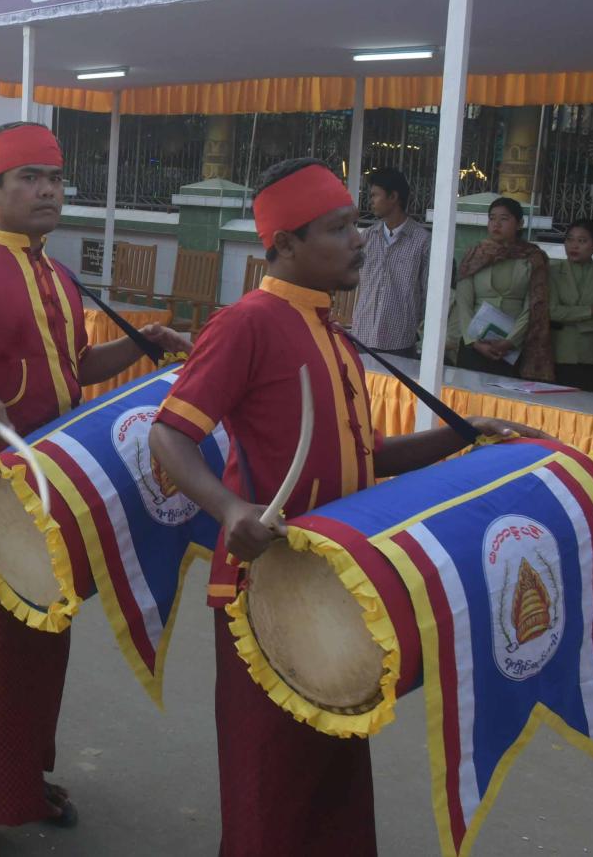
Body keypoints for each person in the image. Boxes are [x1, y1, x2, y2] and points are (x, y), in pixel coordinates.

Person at [148, 157, 540, 857]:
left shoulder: (333, 331)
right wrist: (231, 509)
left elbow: (368, 455)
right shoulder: (246, 323)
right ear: (284, 244)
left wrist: (464, 434)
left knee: (332, 774)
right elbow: (169, 434)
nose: (358, 239)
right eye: (336, 228)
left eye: (356, 223)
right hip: (266, 589)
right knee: (269, 777)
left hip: (338, 582)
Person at [0, 122, 177, 856]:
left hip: (53, 488)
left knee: (44, 641)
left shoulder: (57, 274)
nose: (48, 191)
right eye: (28, 178)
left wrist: (142, 344)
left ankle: (23, 776)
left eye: (55, 179)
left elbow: (74, 368)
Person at [445, 196, 553, 381]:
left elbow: (535, 304)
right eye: (492, 218)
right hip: (475, 342)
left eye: (504, 219)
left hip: (513, 348)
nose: (496, 224)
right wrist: (474, 341)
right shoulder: (475, 254)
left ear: (520, 224)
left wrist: (510, 341)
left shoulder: (533, 257)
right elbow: (463, 302)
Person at [349, 167, 429, 357]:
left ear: (393, 197)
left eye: (375, 195)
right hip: (363, 335)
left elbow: (427, 293)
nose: (371, 201)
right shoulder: (367, 237)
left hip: (400, 341)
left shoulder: (422, 241)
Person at [548, 218, 593, 393]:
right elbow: (551, 311)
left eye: (582, 241)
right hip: (557, 353)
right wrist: (588, 311)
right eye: (569, 239)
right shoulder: (552, 272)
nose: (574, 246)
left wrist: (569, 321)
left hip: (591, 356)